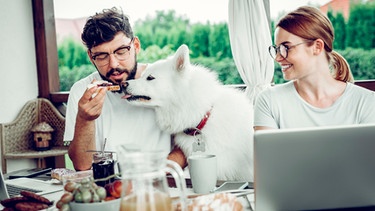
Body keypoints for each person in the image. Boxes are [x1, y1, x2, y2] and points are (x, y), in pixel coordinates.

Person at [64, 7, 185, 171]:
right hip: (107, 187)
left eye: (121, 51)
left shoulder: (162, 81)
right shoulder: (81, 92)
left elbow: (187, 144)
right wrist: (85, 120)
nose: (113, 64)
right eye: (102, 56)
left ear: (135, 45)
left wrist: (160, 173)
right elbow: (82, 165)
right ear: (91, 57)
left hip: (158, 184)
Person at [254, 6, 375, 130]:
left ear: (317, 46)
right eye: (277, 49)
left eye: (286, 48)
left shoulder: (367, 102)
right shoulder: (269, 101)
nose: (278, 58)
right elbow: (267, 149)